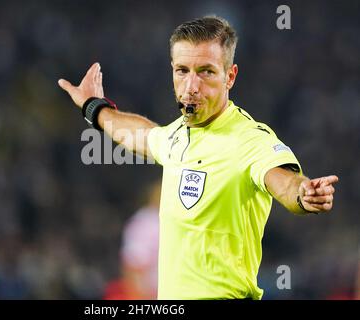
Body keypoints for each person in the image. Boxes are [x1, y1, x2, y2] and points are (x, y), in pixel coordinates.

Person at [58, 16, 339, 300]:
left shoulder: (250, 139)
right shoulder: (176, 136)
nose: (191, 85)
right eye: (182, 70)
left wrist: (303, 194)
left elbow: (284, 182)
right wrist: (94, 107)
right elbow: (141, 134)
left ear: (230, 76)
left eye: (206, 72)